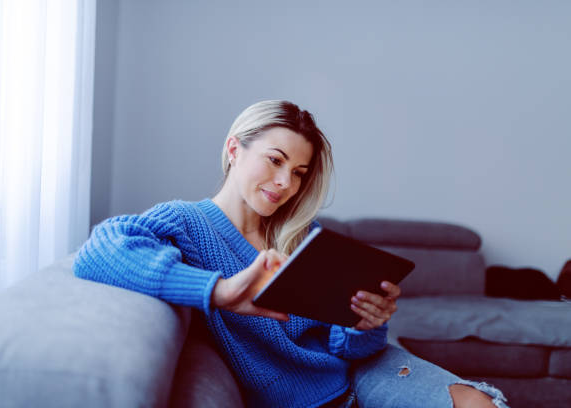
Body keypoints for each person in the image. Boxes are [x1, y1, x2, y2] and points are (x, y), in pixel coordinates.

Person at [73, 100, 508, 408]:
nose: (285, 183)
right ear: (233, 150)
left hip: (363, 376)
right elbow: (100, 249)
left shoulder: (303, 236)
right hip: (302, 400)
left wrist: (367, 321)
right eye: (275, 160)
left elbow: (349, 348)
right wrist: (218, 291)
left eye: (299, 173)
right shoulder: (186, 222)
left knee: (476, 404)